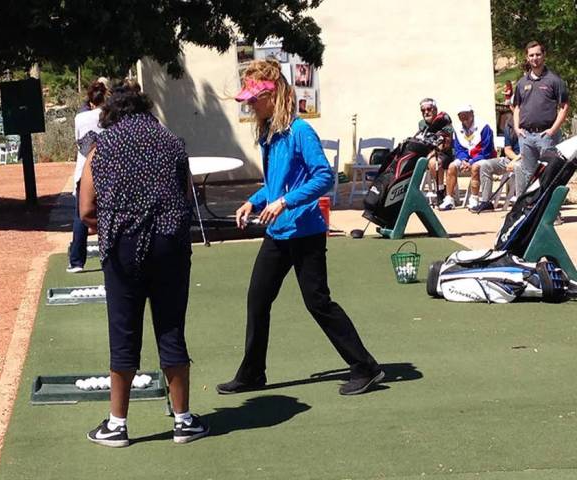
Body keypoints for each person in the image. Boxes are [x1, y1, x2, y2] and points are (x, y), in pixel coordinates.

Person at [216, 59, 383, 397]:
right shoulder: (270, 134)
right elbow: (277, 185)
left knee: (317, 302)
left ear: (272, 94)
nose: (249, 104)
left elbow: (322, 176)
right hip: (278, 233)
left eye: (254, 98)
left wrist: (285, 202)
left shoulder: (300, 131)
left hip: (305, 231)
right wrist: (256, 200)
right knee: (257, 299)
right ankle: (252, 373)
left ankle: (366, 367)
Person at [78, 84, 208, 447]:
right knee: (170, 327)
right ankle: (183, 420)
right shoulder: (171, 142)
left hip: (122, 245)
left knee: (123, 330)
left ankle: (117, 424)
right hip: (170, 244)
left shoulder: (100, 147)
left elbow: (86, 209)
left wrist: (112, 221)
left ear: (111, 113)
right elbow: (185, 197)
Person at [512, 40, 569, 197]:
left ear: (544, 55)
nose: (534, 58)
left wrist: (552, 130)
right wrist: (517, 129)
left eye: (538, 54)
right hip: (526, 137)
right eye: (531, 55)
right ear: (527, 58)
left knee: (550, 174)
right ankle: (529, 209)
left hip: (547, 136)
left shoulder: (554, 80)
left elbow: (564, 107)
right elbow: (516, 107)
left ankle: (551, 212)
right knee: (528, 175)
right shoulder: (522, 83)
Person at [67, 79, 109, 273]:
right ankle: (108, 257)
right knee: (108, 214)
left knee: (80, 216)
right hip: (108, 170)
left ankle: (76, 261)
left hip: (85, 171)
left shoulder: (80, 118)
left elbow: (79, 142)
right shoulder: (110, 115)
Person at [438, 105, 496, 211]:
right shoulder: (457, 129)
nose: (463, 118)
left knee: (475, 167)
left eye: (466, 114)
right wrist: (464, 160)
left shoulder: (484, 127)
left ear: (472, 113)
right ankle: (449, 199)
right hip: (466, 158)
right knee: (452, 166)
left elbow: (487, 150)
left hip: (483, 158)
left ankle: (474, 199)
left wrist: (472, 161)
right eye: (461, 115)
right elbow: (459, 148)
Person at [471, 114, 521, 213]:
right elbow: (507, 149)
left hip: (527, 158)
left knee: (521, 166)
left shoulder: (531, 122)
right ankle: (486, 202)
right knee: (485, 165)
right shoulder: (510, 125)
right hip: (511, 159)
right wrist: (514, 159)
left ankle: (521, 202)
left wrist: (516, 160)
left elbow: (530, 150)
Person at [419, 98, 455, 205]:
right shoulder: (422, 124)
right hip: (428, 153)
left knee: (433, 162)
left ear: (435, 109)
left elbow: (446, 144)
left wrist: (431, 152)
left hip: (445, 153)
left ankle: (440, 191)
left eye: (429, 109)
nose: (426, 112)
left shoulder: (444, 119)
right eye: (423, 110)